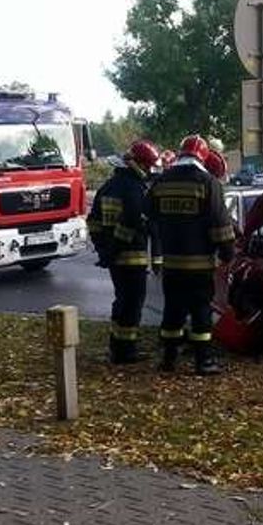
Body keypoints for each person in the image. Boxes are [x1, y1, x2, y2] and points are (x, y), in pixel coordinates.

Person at [147, 134, 235, 375]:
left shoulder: (161, 182)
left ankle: (168, 359)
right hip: (199, 265)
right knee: (200, 313)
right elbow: (221, 226)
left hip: (172, 264)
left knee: (172, 311)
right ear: (203, 157)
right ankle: (203, 361)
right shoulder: (208, 183)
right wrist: (228, 254)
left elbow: (150, 217)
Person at [86, 139, 161, 365]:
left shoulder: (108, 187)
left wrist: (103, 249)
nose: (149, 171)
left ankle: (116, 346)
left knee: (121, 301)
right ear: (138, 164)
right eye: (148, 166)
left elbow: (93, 222)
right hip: (131, 258)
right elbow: (131, 224)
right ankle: (126, 352)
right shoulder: (134, 189)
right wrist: (113, 249)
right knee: (132, 304)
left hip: (114, 260)